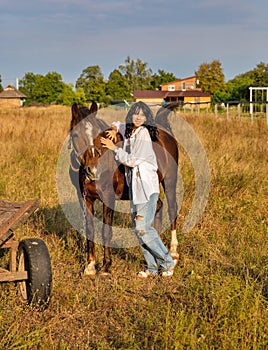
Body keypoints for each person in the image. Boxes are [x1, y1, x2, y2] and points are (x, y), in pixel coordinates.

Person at [100, 102, 174, 278]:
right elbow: (118, 123)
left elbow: (132, 161)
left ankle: (167, 262)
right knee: (139, 229)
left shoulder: (143, 134)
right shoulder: (130, 130)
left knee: (142, 228)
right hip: (135, 187)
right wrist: (113, 129)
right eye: (135, 114)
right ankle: (152, 268)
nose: (138, 117)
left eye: (142, 115)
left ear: (147, 118)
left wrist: (114, 149)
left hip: (146, 187)